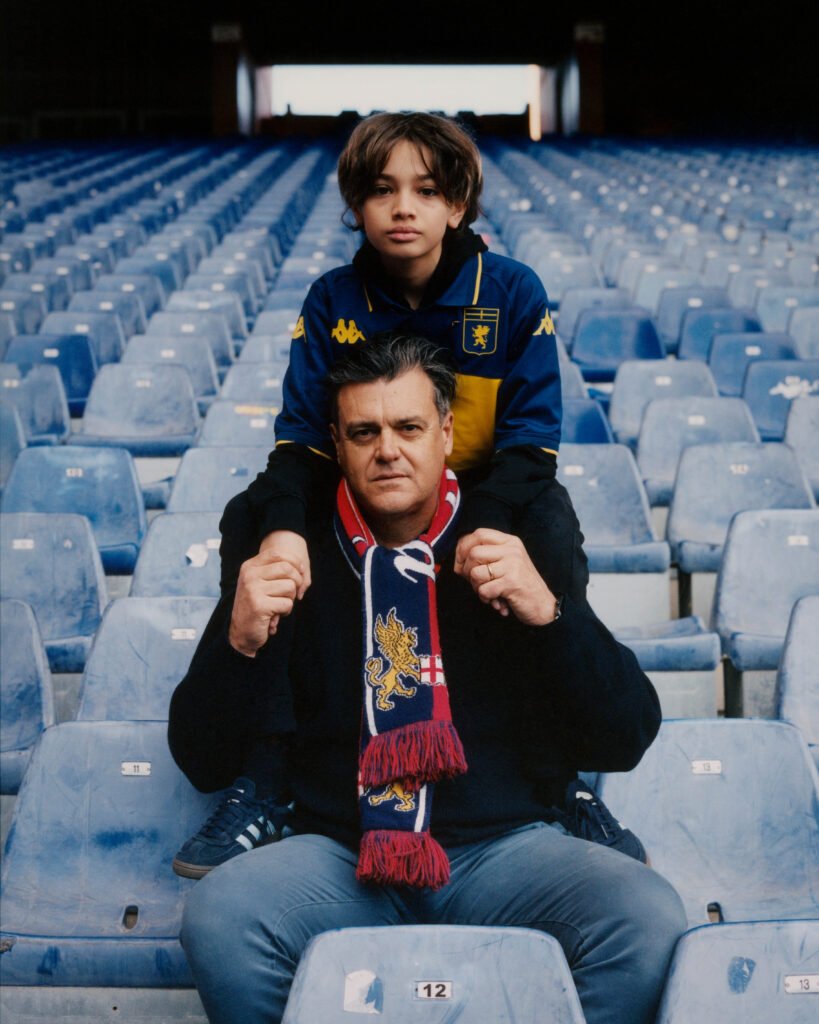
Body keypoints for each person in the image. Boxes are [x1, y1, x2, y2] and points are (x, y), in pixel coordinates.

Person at [169, 333, 686, 1024]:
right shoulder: (293, 548)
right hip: (340, 855)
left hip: (500, 850)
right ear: (336, 443)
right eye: (365, 432)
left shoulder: (512, 536)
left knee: (645, 916)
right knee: (220, 916)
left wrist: (549, 615)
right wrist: (236, 643)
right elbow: (201, 758)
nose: (387, 450)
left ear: (446, 432)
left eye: (408, 428)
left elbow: (625, 736)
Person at [172, 112, 588, 877]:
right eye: (382, 190)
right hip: (366, 489)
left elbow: (531, 445)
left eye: (425, 190)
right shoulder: (332, 298)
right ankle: (266, 776)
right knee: (253, 519)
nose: (403, 208)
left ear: (456, 205)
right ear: (356, 205)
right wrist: (284, 527)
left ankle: (554, 775)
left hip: (482, 492)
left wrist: (479, 528)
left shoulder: (510, 290)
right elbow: (303, 440)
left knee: (551, 527)